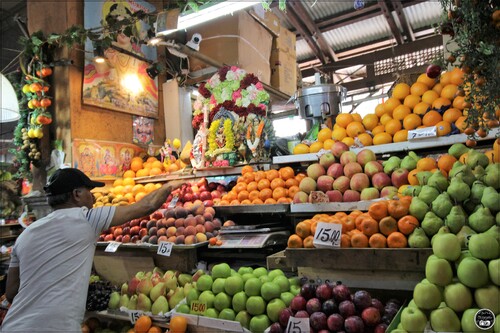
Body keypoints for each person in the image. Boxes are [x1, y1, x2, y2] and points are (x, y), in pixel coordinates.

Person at [1, 168, 183, 332]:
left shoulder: (26, 234)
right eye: (90, 191)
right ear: (77, 194)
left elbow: (11, 293)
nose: (93, 197)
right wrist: (170, 186)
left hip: (13, 325)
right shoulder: (87, 218)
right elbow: (147, 206)